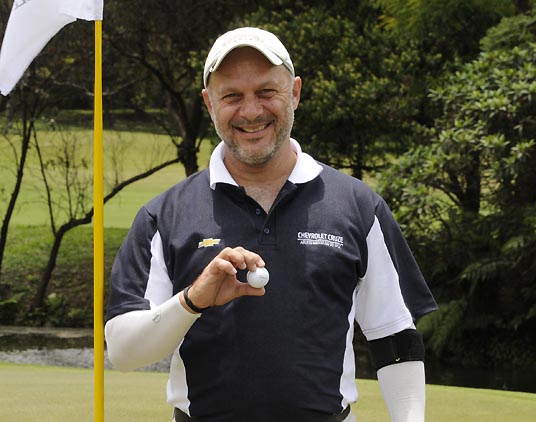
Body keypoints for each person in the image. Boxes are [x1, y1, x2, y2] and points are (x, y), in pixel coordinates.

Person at [105, 27, 437, 422]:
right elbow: (123, 352)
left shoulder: (358, 206)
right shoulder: (164, 216)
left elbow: (394, 336)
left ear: (294, 93)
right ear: (209, 103)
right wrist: (191, 301)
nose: (250, 111)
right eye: (232, 96)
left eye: (266, 92)